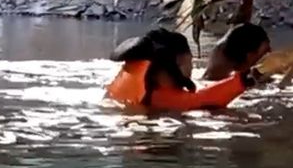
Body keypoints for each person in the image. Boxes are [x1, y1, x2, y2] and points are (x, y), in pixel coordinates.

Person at [105, 25, 268, 112]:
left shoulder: (132, 87)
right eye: (189, 63)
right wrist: (251, 77)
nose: (191, 71)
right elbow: (205, 99)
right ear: (175, 63)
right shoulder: (160, 98)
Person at [201, 22, 272, 81]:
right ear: (249, 55)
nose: (269, 51)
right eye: (264, 52)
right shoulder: (220, 73)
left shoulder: (223, 55)